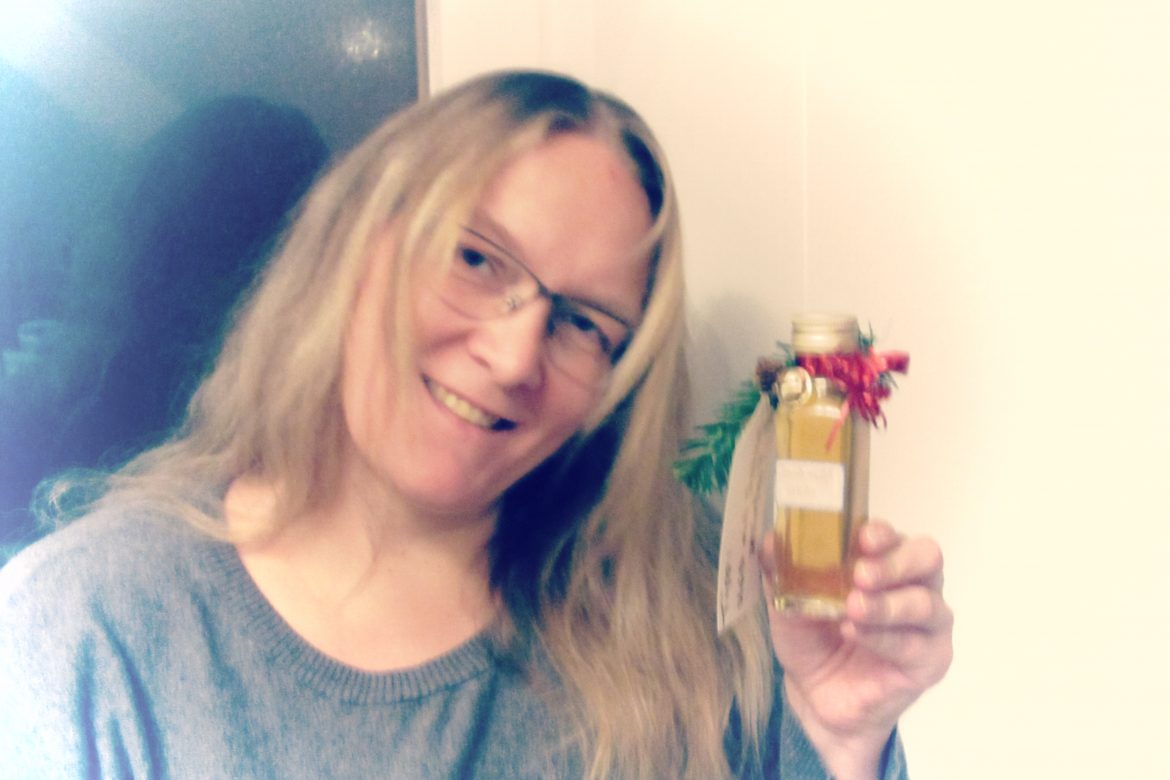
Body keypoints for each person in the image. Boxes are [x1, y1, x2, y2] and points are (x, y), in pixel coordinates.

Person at [0, 71, 952, 779]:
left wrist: (841, 741)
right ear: (355, 244)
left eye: (583, 324)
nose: (512, 355)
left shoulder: (692, 614)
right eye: (474, 258)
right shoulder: (85, 631)